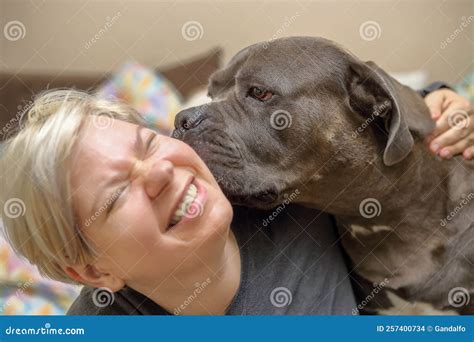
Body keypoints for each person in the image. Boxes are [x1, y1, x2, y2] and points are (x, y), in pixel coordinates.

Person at [0, 86, 471, 315]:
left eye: (148, 143)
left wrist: (438, 101)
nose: (162, 171)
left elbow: (353, 120)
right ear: (93, 271)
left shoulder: (278, 191)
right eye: (119, 193)